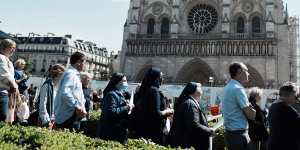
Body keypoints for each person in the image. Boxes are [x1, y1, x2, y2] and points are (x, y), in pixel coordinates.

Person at [134, 67, 174, 145]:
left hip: (142, 129)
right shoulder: (154, 91)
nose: (162, 79)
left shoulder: (144, 90)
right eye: (161, 77)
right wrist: (168, 111)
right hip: (154, 132)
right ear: (156, 78)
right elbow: (157, 113)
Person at [168, 82, 214, 150]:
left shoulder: (189, 102)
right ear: (194, 90)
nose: (201, 88)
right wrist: (209, 131)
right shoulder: (190, 104)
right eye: (199, 86)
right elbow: (194, 125)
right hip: (188, 144)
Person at [222, 62, 256, 150]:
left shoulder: (228, 87)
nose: (248, 74)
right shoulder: (238, 89)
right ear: (239, 71)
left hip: (230, 133)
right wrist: (253, 110)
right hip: (239, 134)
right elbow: (251, 115)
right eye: (246, 71)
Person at [97, 73, 134, 144]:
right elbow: (111, 112)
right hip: (111, 132)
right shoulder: (111, 94)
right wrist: (127, 107)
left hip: (119, 131)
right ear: (118, 82)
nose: (126, 83)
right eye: (124, 81)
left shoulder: (119, 93)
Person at [54, 52, 87, 131]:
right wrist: (77, 107)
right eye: (85, 63)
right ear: (79, 62)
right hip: (69, 117)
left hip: (68, 116)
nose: (85, 65)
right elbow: (65, 92)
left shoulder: (71, 74)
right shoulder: (71, 74)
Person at [268, 82, 300, 150]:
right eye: (295, 96)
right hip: (285, 145)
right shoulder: (286, 109)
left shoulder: (273, 106)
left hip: (274, 144)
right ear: (291, 94)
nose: (295, 99)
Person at [38, 64, 65, 129]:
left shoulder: (58, 87)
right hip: (47, 120)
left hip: (55, 120)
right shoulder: (47, 85)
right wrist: (46, 121)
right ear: (58, 75)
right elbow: (42, 104)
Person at [0, 39, 19, 122]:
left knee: (6, 118)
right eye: (11, 47)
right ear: (4, 47)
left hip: (7, 93)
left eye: (14, 48)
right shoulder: (1, 57)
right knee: (2, 117)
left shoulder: (9, 61)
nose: (13, 50)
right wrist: (14, 85)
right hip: (1, 92)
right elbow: (4, 75)